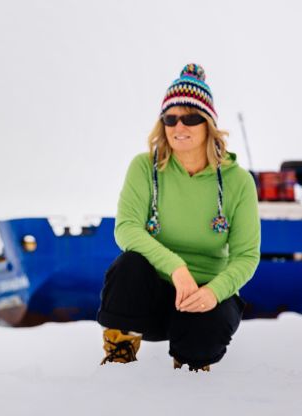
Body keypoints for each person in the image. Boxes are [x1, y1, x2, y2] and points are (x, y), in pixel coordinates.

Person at [97, 63, 260, 372]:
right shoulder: (144, 167)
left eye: (191, 118)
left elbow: (246, 256)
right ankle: (120, 355)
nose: (179, 127)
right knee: (128, 265)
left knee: (204, 337)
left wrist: (214, 291)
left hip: (204, 296)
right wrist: (176, 268)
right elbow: (127, 229)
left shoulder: (239, 181)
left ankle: (191, 368)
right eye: (170, 118)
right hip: (152, 298)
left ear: (209, 123)